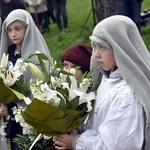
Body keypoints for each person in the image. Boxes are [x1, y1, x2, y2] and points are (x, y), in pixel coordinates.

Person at [53, 15, 150, 150]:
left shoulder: (128, 94)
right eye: (95, 46)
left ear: (120, 48)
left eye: (102, 47)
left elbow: (118, 145)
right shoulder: (105, 79)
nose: (96, 54)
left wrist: (76, 142)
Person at [0, 9, 51, 150]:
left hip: (32, 118)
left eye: (17, 29)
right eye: (9, 30)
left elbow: (41, 86)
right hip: (12, 117)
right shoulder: (7, 55)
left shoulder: (37, 54)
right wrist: (4, 105)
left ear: (27, 28)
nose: (13, 34)